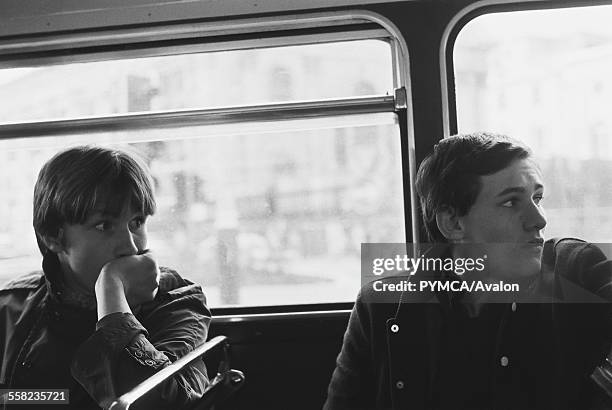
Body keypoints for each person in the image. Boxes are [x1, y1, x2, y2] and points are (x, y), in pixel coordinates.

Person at [324, 132, 612, 410]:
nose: (539, 220)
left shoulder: (576, 268)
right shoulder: (381, 306)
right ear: (453, 224)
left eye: (537, 198)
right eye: (511, 202)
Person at [0, 146, 211, 409]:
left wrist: (112, 294)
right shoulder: (11, 305)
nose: (131, 247)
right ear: (53, 236)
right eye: (104, 226)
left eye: (136, 222)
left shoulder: (177, 301)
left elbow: (162, 402)